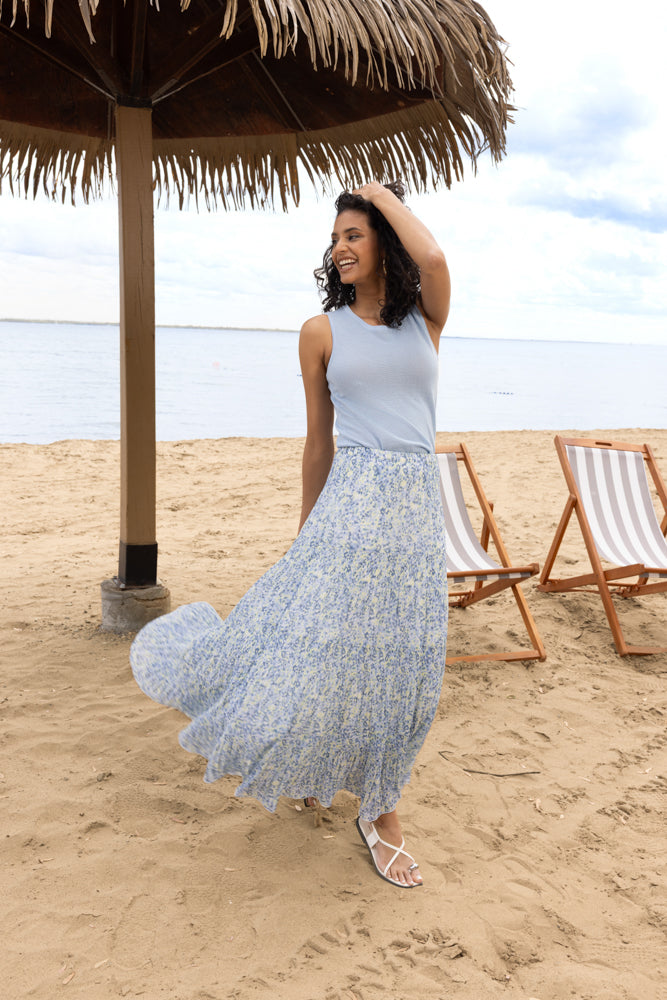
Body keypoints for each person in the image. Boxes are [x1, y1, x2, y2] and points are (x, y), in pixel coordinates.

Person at [130, 180, 450, 889]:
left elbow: (431, 256)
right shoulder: (319, 333)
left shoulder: (425, 319)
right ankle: (342, 784)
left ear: (385, 243)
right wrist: (306, 529)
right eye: (334, 236)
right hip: (349, 508)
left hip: (415, 512)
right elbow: (318, 442)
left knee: (407, 665)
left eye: (354, 234)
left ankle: (381, 805)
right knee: (325, 650)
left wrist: (375, 193)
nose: (338, 246)